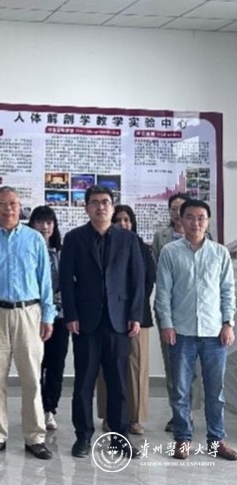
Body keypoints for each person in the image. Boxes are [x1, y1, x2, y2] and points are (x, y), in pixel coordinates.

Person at [60, 185, 144, 459]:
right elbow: (66, 280)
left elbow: (137, 280)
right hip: (85, 321)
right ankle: (83, 437)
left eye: (105, 202)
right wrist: (70, 314)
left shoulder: (128, 239)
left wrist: (135, 315)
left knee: (118, 382)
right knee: (84, 382)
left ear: (112, 206)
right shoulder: (74, 238)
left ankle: (120, 438)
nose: (100, 207)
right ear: (86, 208)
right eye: (95, 202)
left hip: (119, 321)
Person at [0, 186, 55, 460]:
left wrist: (48, 315)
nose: (8, 209)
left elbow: (45, 280)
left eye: (13, 204)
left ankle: (35, 437)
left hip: (29, 313)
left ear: (20, 208)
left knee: (31, 378)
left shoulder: (34, 239)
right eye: (2, 204)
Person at [155, 199, 237, 460]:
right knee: (181, 390)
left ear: (208, 221)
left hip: (215, 333)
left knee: (215, 392)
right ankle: (183, 439)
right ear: (181, 220)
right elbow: (163, 292)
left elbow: (228, 291)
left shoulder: (220, 253)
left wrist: (228, 323)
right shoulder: (170, 252)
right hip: (181, 332)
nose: (196, 222)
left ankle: (216, 440)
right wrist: (167, 324)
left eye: (201, 217)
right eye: (190, 217)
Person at [97, 205, 156, 435]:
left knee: (135, 366)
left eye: (127, 220)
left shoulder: (141, 246)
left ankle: (134, 417)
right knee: (107, 367)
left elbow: (147, 281)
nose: (123, 224)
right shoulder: (103, 243)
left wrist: (133, 310)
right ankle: (109, 416)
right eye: (118, 220)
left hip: (136, 316)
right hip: (108, 317)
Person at [152, 192, 203, 432]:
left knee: (194, 366)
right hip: (169, 308)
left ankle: (189, 412)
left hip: (196, 310)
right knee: (173, 364)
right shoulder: (161, 237)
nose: (177, 212)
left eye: (181, 208)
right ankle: (177, 412)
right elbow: (156, 271)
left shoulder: (205, 237)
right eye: (173, 208)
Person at [28, 205, 68, 432]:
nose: (45, 226)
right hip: (31, 316)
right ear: (32, 224)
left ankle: (49, 409)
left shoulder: (61, 253)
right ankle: (34, 408)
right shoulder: (26, 250)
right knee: (34, 365)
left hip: (59, 317)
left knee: (55, 365)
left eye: (49, 222)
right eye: (40, 221)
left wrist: (53, 305)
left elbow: (68, 284)